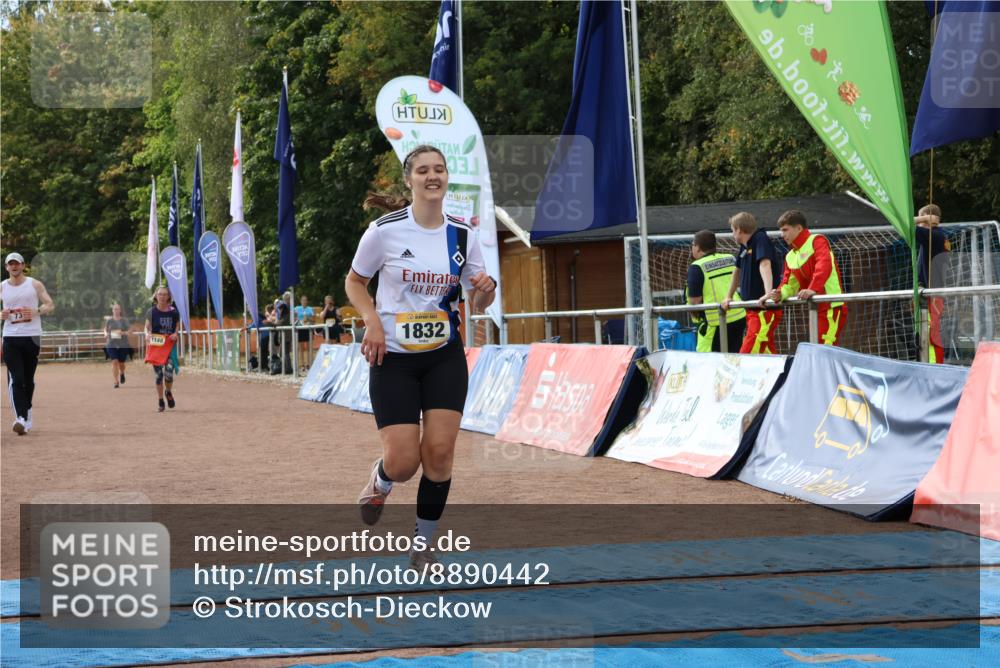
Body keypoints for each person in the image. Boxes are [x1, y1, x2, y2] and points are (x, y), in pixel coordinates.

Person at [346, 145, 496, 571]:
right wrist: (372, 321)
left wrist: (485, 289)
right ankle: (381, 479)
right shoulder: (384, 231)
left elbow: (480, 301)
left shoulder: (462, 235)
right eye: (424, 171)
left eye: (440, 170)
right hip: (392, 357)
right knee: (405, 462)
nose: (433, 176)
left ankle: (423, 546)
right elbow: (355, 282)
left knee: (440, 454)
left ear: (447, 178)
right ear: (409, 179)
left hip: (443, 355)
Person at [762, 210, 847, 346]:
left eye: (785, 230)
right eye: (781, 231)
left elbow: (823, 265)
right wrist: (779, 294)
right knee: (820, 349)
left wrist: (812, 288)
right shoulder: (790, 256)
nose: (782, 235)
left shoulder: (817, 240)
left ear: (799, 228)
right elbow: (789, 284)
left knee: (824, 349)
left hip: (832, 306)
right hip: (815, 307)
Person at [1, 252, 55, 435]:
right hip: (10, 337)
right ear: (7, 267)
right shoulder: (2, 287)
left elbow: (50, 304)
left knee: (28, 380)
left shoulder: (34, 284)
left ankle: (27, 411)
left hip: (32, 336)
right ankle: (20, 418)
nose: (14, 267)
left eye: (17, 264)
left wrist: (36, 311)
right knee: (16, 378)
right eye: (11, 264)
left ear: (23, 265)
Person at [723, 212, 783, 354]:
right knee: (766, 351)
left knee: (746, 354)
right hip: (752, 310)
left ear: (738, 229)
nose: (732, 234)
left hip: (763, 311)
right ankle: (783, 376)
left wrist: (768, 293)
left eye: (732, 230)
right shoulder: (745, 246)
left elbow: (765, 264)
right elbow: (736, 271)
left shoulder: (760, 239)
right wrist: (728, 296)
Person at [685, 230, 746, 353]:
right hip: (738, 316)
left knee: (708, 361)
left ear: (697, 247)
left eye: (693, 245)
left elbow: (695, 301)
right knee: (735, 358)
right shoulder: (729, 258)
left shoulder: (697, 266)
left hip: (714, 321)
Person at [915, 204, 951, 364]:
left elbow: (905, 225)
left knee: (931, 336)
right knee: (926, 335)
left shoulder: (935, 236)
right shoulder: (936, 236)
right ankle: (930, 366)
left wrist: (924, 219)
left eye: (921, 220)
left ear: (930, 218)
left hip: (933, 294)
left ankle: (936, 369)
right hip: (931, 293)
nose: (918, 224)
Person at [144, 286, 180, 412]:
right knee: (159, 376)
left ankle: (168, 392)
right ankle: (160, 400)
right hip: (156, 346)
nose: (162, 297)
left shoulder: (174, 311)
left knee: (169, 374)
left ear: (168, 297)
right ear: (156, 296)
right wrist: (147, 335)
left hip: (169, 346)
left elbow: (176, 325)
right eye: (160, 294)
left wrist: (176, 333)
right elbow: (146, 327)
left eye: (165, 294)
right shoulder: (151, 312)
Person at [104, 303, 132, 388]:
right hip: (111, 343)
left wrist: (123, 333)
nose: (116, 311)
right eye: (114, 309)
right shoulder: (109, 320)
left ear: (120, 310)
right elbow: (105, 329)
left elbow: (130, 330)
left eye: (118, 309)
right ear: (112, 310)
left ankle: (122, 373)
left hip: (123, 344)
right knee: (114, 362)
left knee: (121, 364)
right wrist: (105, 333)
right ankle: (116, 382)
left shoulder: (124, 320)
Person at [294, 294, 315, 370]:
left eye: (306, 300)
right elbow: (293, 318)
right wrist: (297, 319)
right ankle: (302, 364)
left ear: (307, 301)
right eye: (303, 300)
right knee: (301, 347)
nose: (304, 301)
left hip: (308, 328)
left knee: (309, 347)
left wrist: (308, 318)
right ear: (301, 301)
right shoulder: (296, 308)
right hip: (300, 328)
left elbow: (314, 320)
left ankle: (309, 363)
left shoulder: (310, 309)